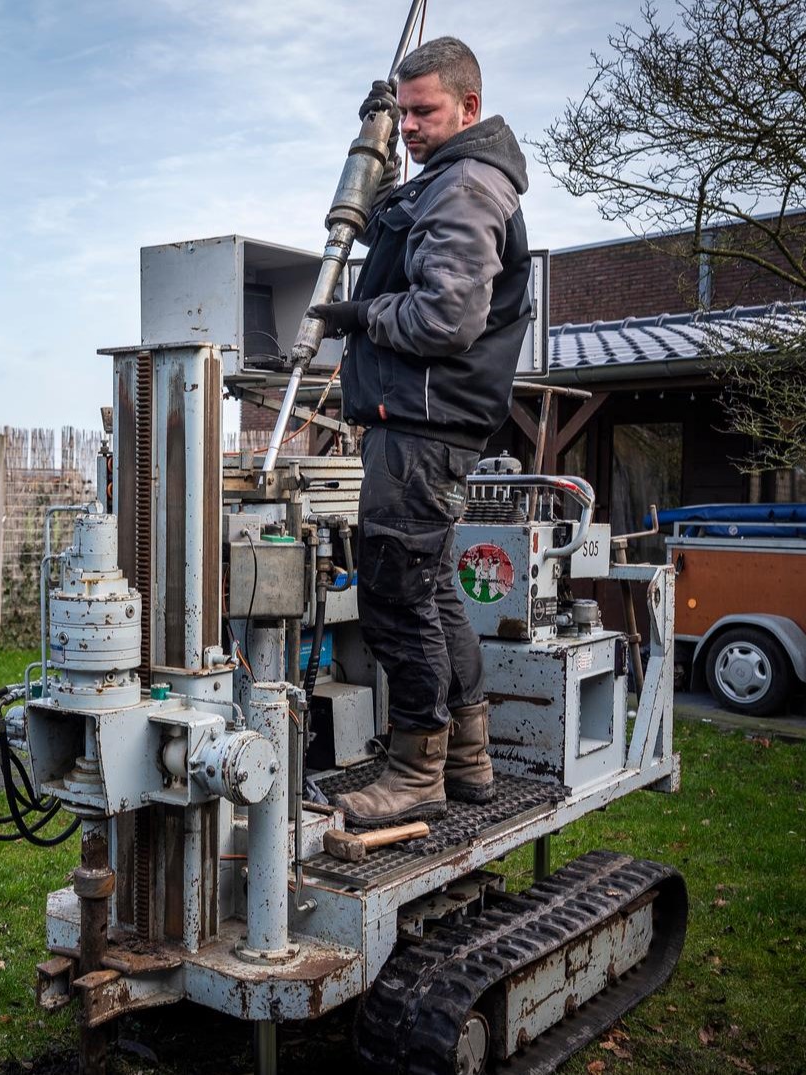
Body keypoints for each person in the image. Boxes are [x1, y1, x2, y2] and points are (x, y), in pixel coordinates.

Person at [307, 37, 532, 826]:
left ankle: (415, 773)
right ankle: (466, 758)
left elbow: (445, 317)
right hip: (428, 421)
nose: (408, 126)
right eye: (401, 113)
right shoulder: (449, 178)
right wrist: (376, 159)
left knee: (396, 596)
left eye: (421, 111)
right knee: (431, 590)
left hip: (423, 424)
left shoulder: (467, 186)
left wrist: (362, 313)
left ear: (469, 107)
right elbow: (401, 237)